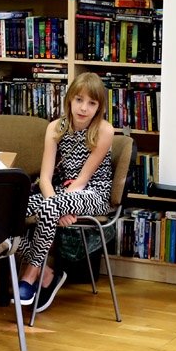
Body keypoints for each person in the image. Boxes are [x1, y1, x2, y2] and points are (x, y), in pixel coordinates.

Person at [16, 71, 114, 314]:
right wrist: (56, 208)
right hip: (60, 194)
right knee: (8, 211)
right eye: (79, 100)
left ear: (99, 107)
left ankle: (30, 274)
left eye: (92, 103)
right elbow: (45, 179)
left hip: (93, 193)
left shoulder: (104, 130)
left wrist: (57, 205)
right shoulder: (55, 128)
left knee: (52, 206)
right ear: (69, 99)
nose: (84, 108)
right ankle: (48, 272)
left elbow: (82, 181)